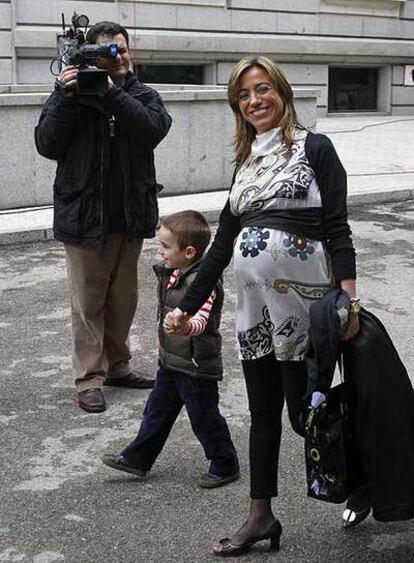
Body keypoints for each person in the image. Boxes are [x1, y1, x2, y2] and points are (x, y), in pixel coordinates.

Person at [169, 57, 360, 556]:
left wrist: (350, 297)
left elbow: (337, 227)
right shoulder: (245, 163)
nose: (254, 101)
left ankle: (369, 478)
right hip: (255, 314)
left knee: (305, 416)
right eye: (243, 95)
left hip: (306, 308)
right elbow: (220, 248)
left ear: (281, 90)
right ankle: (260, 516)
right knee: (261, 412)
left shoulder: (316, 149)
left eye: (262, 89)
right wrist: (189, 307)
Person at [34, 21, 172, 414]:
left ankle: (119, 367)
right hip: (84, 217)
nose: (119, 57)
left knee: (123, 301)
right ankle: (89, 378)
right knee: (87, 303)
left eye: (122, 49)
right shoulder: (70, 97)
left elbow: (151, 130)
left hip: (129, 217)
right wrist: (64, 94)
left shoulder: (142, 95)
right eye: (108, 51)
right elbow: (47, 143)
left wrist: (110, 93)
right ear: (89, 56)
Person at [101, 210, 240, 488]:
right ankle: (138, 457)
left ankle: (225, 463)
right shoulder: (176, 273)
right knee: (156, 411)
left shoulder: (202, 282)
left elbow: (202, 320)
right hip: (171, 361)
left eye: (165, 246)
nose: (160, 251)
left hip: (195, 365)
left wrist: (186, 327)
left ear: (189, 252)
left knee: (203, 417)